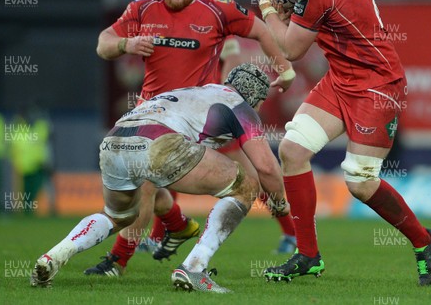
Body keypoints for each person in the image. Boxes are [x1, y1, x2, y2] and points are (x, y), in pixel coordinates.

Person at [87, 0, 297, 277]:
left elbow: (258, 31)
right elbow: (103, 43)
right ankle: (164, 235)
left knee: (256, 175)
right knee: (149, 189)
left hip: (202, 120)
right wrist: (125, 45)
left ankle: (293, 234)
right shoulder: (141, 8)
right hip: (152, 117)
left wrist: (283, 69)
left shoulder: (219, 10)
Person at [258, 0, 431, 285]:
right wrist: (289, 8)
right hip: (342, 79)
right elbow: (308, 23)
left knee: (359, 180)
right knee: (293, 150)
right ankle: (308, 255)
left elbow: (291, 49)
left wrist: (268, 5)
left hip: (377, 85)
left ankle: (424, 241)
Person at [30, 64, 290, 293]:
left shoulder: (196, 91)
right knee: (246, 186)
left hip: (114, 140)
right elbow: (266, 168)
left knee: (117, 215)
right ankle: (194, 268)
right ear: (256, 97)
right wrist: (279, 204)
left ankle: (53, 256)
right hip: (158, 142)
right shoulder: (241, 107)